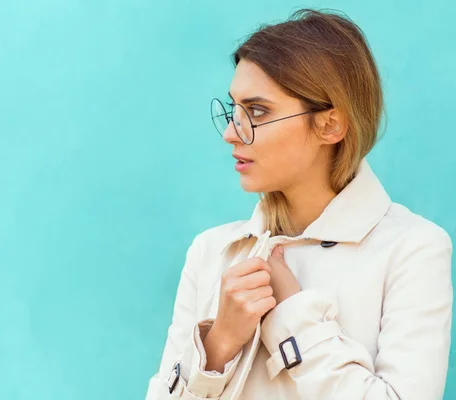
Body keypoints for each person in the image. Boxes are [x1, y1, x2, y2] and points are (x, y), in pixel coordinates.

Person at [144, 8, 453, 400]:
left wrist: (294, 318)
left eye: (256, 111)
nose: (229, 133)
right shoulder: (211, 253)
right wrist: (218, 345)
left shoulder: (413, 249)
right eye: (233, 110)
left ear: (330, 124)